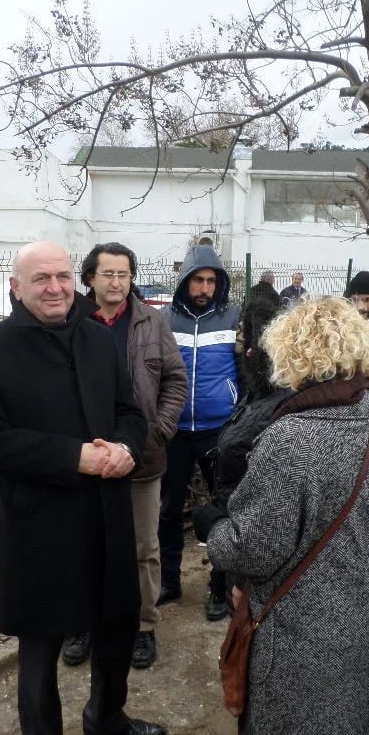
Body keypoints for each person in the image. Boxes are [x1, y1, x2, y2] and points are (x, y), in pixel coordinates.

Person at [0, 241, 165, 735]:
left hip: (106, 513)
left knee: (116, 629)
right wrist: (75, 457)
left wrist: (125, 447)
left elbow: (129, 411)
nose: (55, 288)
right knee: (41, 647)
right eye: (41, 279)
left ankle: (106, 720)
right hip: (38, 525)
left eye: (62, 276)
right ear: (16, 288)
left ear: (76, 280)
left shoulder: (98, 339)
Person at [194, 297, 369, 735]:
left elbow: (253, 550)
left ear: (293, 354)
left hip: (303, 644)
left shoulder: (290, 438)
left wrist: (212, 525)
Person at [67, 243, 187, 671]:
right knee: (83, 545)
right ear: (90, 278)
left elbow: (175, 380)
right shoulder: (71, 321)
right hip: (84, 458)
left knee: (143, 548)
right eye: (108, 273)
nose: (117, 282)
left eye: (124, 274)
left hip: (142, 457)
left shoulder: (153, 321)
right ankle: (83, 623)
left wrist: (159, 429)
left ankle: (143, 626)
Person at [159, 244, 240, 622]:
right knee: (168, 511)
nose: (205, 288)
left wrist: (239, 416)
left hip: (218, 431)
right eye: (198, 280)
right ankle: (168, 580)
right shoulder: (162, 320)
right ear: (184, 282)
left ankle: (220, 587)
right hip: (173, 431)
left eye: (211, 281)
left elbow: (246, 370)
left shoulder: (233, 318)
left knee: (224, 511)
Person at [210, 299, 292, 612]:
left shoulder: (278, 408)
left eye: (245, 336)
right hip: (233, 527)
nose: (240, 345)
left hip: (248, 543)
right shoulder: (257, 394)